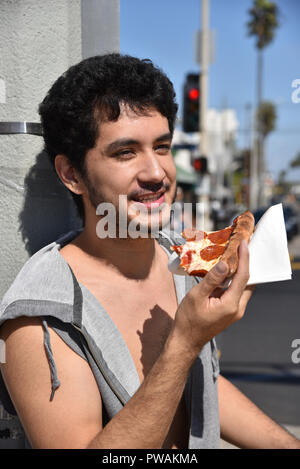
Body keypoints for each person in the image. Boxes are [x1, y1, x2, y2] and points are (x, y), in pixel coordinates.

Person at [0, 54, 299, 450]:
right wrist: (186, 341)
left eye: (161, 147)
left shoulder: (179, 257)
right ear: (72, 174)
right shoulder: (42, 318)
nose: (156, 173)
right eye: (125, 153)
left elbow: (200, 387)